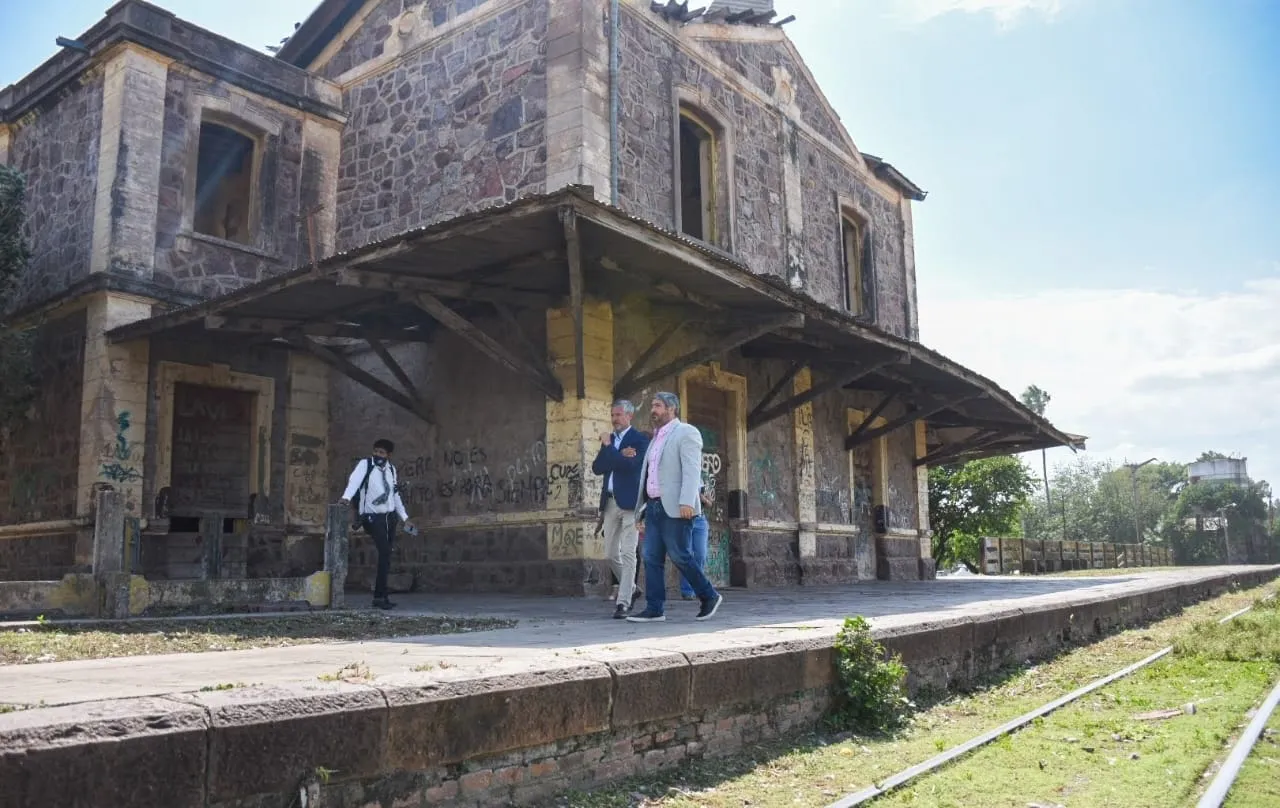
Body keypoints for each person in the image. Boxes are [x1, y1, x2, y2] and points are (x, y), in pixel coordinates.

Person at [627, 392, 722, 623]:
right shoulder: (656, 439)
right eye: (652, 405)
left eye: (657, 406)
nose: (653, 410)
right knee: (650, 557)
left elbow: (691, 470)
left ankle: (709, 596)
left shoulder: (686, 433)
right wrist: (642, 509)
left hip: (678, 507)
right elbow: (649, 477)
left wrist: (688, 501)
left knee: (680, 556)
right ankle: (654, 608)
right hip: (654, 507)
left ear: (672, 409)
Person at [590, 399, 651, 619]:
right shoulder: (612, 440)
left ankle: (623, 602)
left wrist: (610, 450)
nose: (614, 419)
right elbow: (598, 468)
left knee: (628, 552)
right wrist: (615, 453)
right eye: (612, 415)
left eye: (618, 415)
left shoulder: (640, 440)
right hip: (610, 502)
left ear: (629, 416)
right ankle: (632, 589)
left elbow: (630, 466)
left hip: (631, 504)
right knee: (609, 552)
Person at [342, 438, 414, 610]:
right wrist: (346, 497)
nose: (378, 455)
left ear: (389, 455)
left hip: (389, 518)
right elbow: (354, 482)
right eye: (376, 451)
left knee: (386, 556)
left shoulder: (391, 470)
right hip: (372, 517)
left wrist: (404, 517)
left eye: (382, 452)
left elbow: (394, 496)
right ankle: (379, 596)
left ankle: (381, 596)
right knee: (384, 552)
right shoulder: (365, 465)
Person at [679, 487, 714, 600]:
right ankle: (687, 590)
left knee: (701, 555)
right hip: (684, 519)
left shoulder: (702, 483)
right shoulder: (680, 479)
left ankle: (698, 587)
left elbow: (709, 504)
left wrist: (702, 498)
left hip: (700, 520)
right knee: (687, 554)